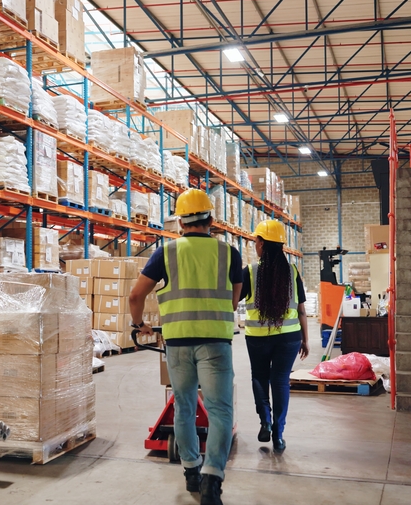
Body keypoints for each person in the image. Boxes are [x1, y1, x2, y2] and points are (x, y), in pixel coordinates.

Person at [129, 188, 242, 505]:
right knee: (220, 411)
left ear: (180, 221)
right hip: (216, 343)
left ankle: (191, 470)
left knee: (185, 406)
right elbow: (233, 301)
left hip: (177, 343)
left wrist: (140, 325)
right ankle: (212, 479)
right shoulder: (229, 253)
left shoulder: (165, 253)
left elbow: (136, 296)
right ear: (211, 219)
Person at [241, 219, 309, 453]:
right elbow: (301, 309)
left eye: (255, 241)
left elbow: (232, 300)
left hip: (257, 339)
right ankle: (278, 435)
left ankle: (265, 421)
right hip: (289, 338)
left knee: (259, 377)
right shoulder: (292, 271)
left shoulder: (250, 272)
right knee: (280, 381)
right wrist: (306, 340)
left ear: (260, 243)